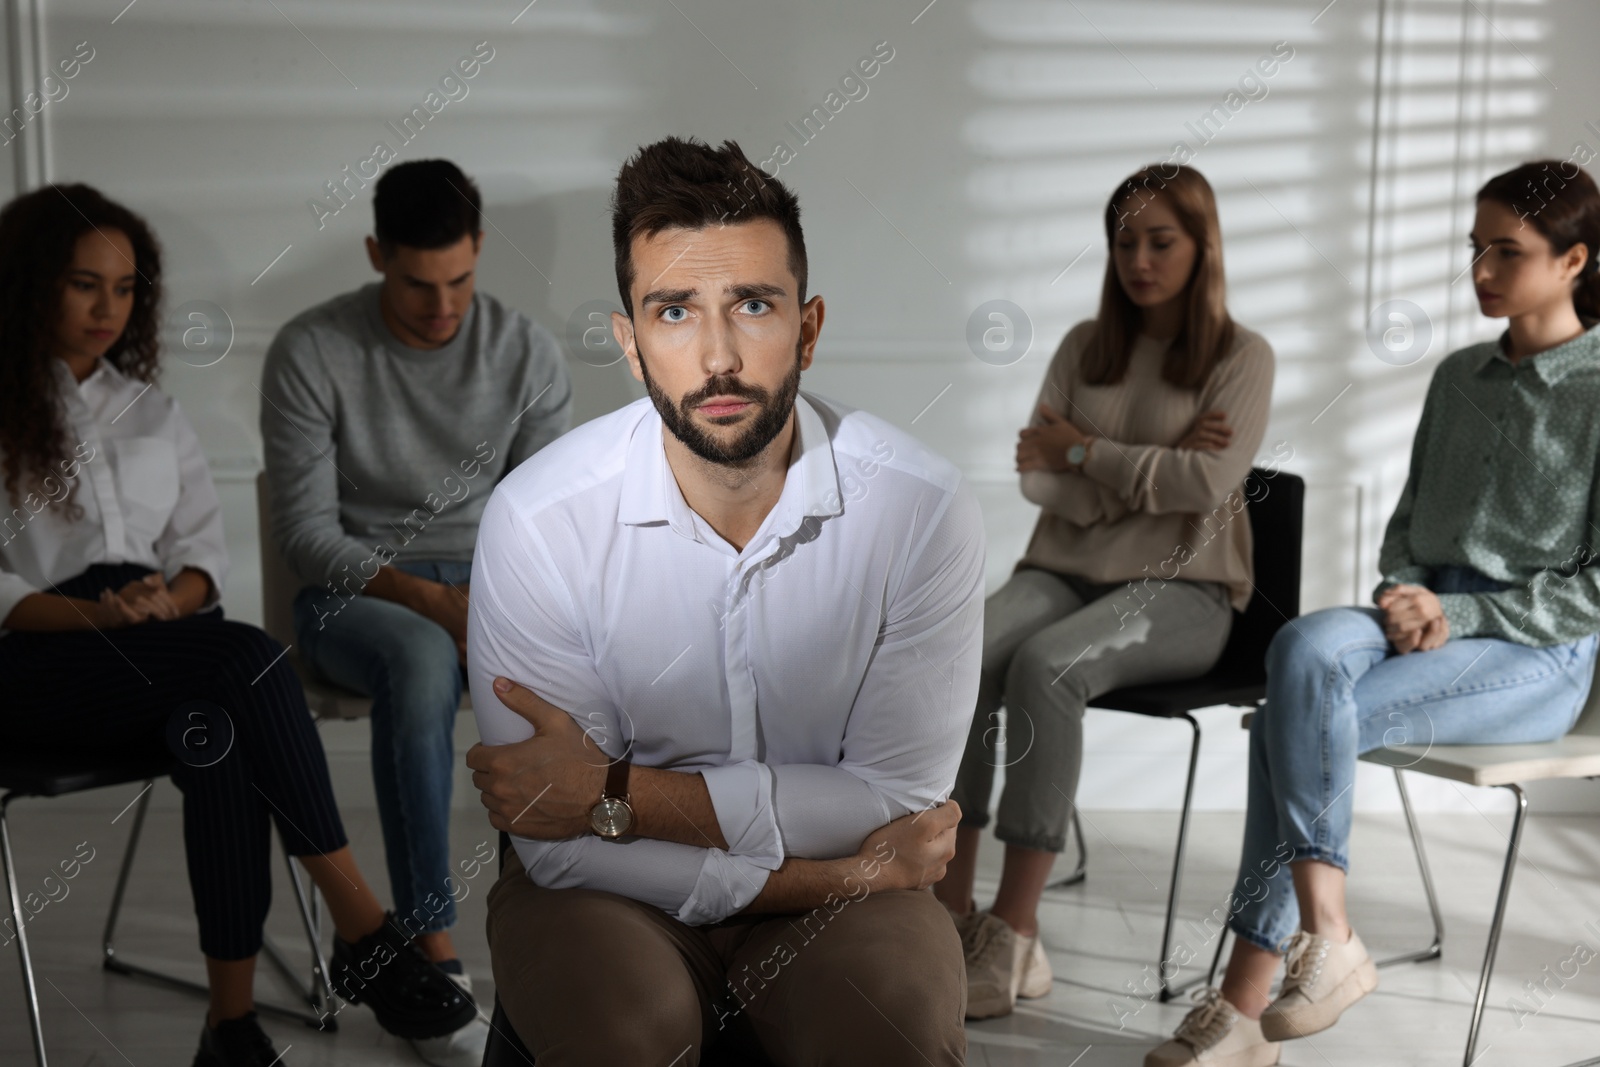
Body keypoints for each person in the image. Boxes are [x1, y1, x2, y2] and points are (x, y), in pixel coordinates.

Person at [463, 136, 982, 1066]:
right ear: (629, 342)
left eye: (752, 303)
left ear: (808, 328)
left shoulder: (920, 506)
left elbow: (897, 796)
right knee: (624, 1035)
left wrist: (614, 792)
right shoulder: (538, 519)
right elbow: (554, 835)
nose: (719, 356)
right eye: (673, 311)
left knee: (890, 1028)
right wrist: (839, 868)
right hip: (602, 888)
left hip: (846, 906)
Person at [0, 184, 478, 1067]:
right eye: (83, 284)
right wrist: (107, 612)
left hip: (154, 646)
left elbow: (201, 556)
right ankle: (365, 928)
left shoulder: (151, 411)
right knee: (250, 658)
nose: (110, 308)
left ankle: (230, 1029)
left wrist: (162, 602)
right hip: (29, 660)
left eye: (126, 287)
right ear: (31, 285)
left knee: (212, 730)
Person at [1147, 159, 1600, 1067]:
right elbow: (1406, 526)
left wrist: (1457, 616)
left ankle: (1243, 1003)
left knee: (1292, 724)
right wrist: (1403, 591)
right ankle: (1331, 931)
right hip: (1422, 613)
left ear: (1575, 259)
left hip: (1536, 649)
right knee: (1304, 643)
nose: (1480, 271)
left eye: (1506, 252)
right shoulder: (1458, 376)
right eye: (1475, 249)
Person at [932, 164, 1276, 1019]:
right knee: (955, 652)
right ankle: (946, 911)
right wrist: (1149, 470)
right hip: (1062, 566)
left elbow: (1205, 484)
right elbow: (1040, 485)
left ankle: (1013, 934)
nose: (1140, 258)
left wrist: (1086, 451)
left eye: (1162, 241)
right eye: (1125, 241)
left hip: (1186, 587)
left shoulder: (1242, 356)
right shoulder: (1086, 344)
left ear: (1203, 246)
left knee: (1048, 666)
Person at [259, 158, 572, 1063]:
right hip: (359, 592)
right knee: (424, 660)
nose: (443, 308)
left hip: (493, 583)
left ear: (480, 254)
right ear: (375, 254)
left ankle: (566, 939)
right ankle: (432, 953)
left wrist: (496, 599)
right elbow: (306, 533)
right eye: (419, 284)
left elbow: (550, 518)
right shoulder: (313, 349)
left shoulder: (526, 352)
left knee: (600, 670)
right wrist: (433, 599)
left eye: (462, 280)